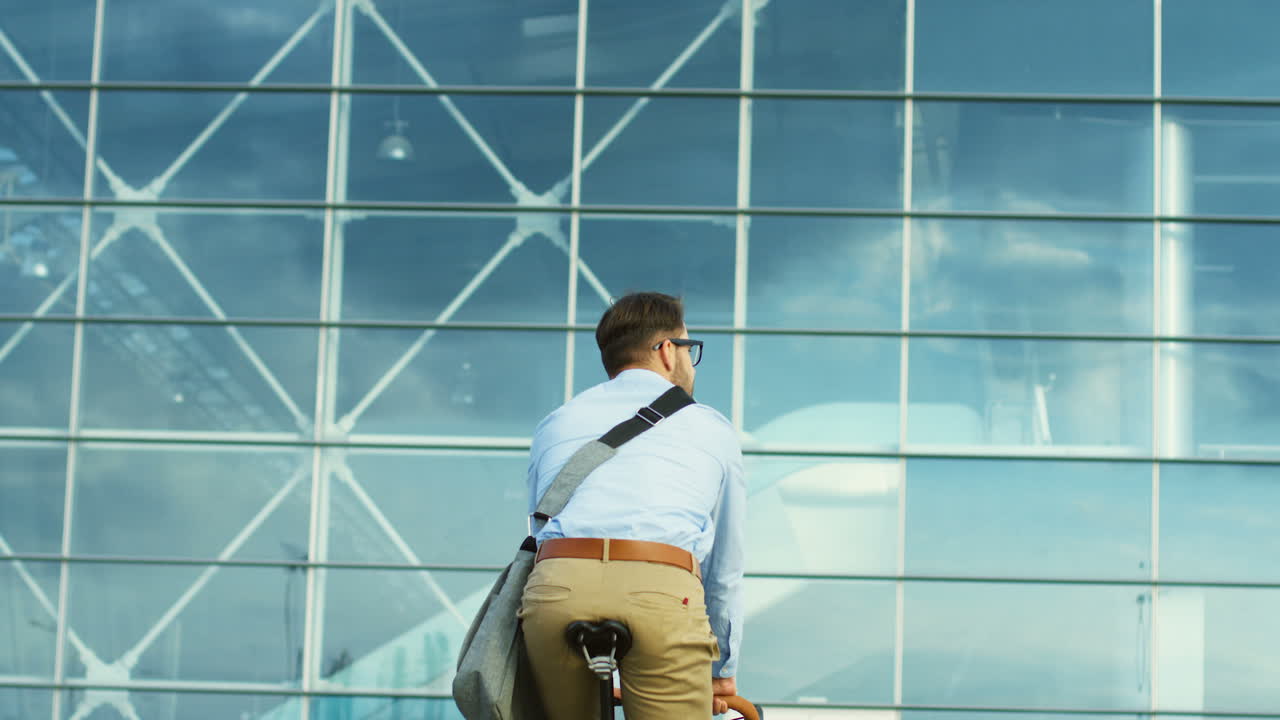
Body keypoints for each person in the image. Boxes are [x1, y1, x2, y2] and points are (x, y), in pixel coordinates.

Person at [519, 292, 745, 720]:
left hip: (557, 587)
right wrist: (722, 670)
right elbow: (724, 570)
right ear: (665, 351)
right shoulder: (710, 427)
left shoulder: (556, 422)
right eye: (687, 348)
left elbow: (539, 528)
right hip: (660, 591)